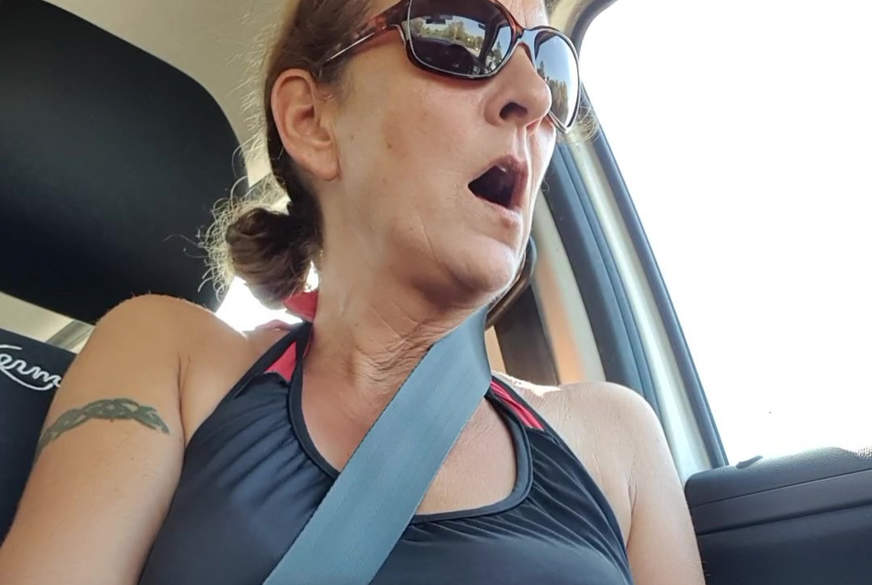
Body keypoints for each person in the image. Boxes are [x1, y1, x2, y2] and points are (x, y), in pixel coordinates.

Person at [0, 0, 707, 583]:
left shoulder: (616, 437)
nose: (534, 96)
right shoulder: (171, 358)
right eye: (462, 33)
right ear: (312, 122)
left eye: (552, 63)